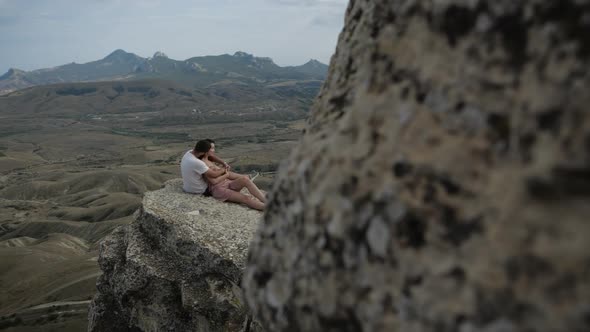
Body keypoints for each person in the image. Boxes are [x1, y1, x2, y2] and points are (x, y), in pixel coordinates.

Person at [183, 139, 266, 211]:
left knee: (245, 179)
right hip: (218, 189)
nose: (213, 150)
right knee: (246, 198)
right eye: (212, 148)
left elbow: (213, 157)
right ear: (206, 152)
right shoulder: (202, 164)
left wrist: (223, 163)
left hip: (226, 183)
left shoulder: (204, 157)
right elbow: (214, 181)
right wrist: (225, 173)